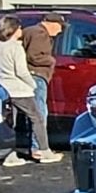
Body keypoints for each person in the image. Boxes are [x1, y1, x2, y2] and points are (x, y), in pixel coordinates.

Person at [0, 16, 61, 166]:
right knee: (37, 118)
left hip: (4, 88)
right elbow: (21, 71)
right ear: (14, 30)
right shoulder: (16, 47)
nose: (21, 30)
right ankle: (44, 151)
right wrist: (32, 85)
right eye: (19, 28)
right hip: (20, 90)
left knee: (10, 122)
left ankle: (9, 155)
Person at [21, 11, 63, 151]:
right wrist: (52, 61)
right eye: (60, 26)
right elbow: (35, 56)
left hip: (28, 75)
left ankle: (36, 146)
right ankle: (39, 148)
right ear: (52, 24)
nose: (60, 31)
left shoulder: (30, 31)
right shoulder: (40, 34)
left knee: (34, 112)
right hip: (37, 75)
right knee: (39, 113)